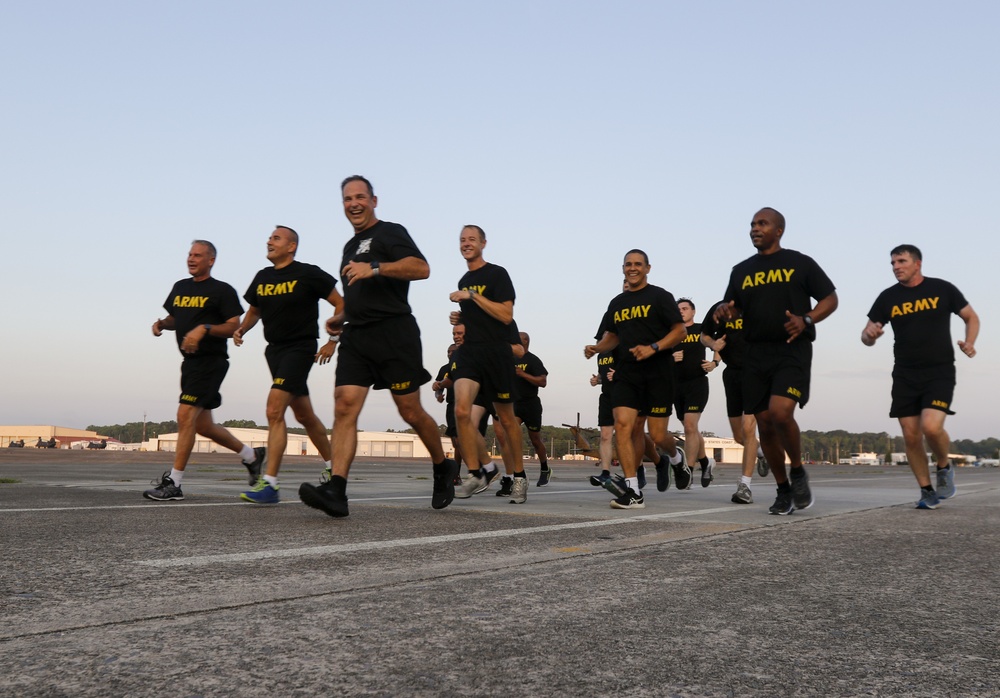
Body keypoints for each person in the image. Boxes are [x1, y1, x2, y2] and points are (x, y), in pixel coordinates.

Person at [298, 176, 458, 518]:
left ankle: (443, 465)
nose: (353, 203)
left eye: (359, 197)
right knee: (344, 406)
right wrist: (340, 317)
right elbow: (358, 296)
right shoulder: (348, 247)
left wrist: (376, 267)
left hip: (394, 333)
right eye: (346, 199)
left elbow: (422, 268)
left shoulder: (390, 232)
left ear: (373, 200)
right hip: (357, 337)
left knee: (410, 411)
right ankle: (336, 490)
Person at [715, 208, 838, 515]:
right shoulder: (740, 271)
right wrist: (725, 311)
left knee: (781, 413)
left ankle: (797, 471)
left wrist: (807, 318)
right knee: (765, 425)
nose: (755, 229)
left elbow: (830, 298)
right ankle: (783, 489)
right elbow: (734, 308)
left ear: (779, 230)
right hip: (754, 353)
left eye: (762, 224)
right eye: (753, 224)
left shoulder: (800, 263)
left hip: (791, 350)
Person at [144, 240, 265, 501]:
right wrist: (162, 324)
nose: (191, 258)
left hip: (211, 362)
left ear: (211, 260)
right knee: (204, 426)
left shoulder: (222, 291)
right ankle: (252, 456)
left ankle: (174, 483)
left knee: (185, 414)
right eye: (189, 254)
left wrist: (205, 329)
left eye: (198, 255)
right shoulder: (180, 287)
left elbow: (233, 325)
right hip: (189, 364)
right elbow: (178, 318)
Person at [861, 244, 979, 509]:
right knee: (911, 435)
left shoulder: (942, 289)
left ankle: (944, 465)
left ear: (918, 263)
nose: (896, 267)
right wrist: (869, 336)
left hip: (939, 371)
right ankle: (927, 491)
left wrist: (970, 342)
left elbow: (971, 317)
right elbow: (866, 335)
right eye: (892, 263)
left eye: (901, 261)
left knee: (931, 427)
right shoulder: (887, 297)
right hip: (904, 374)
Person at [233, 226, 344, 504]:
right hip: (274, 352)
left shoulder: (308, 273)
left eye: (276, 238)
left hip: (300, 348)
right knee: (304, 415)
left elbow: (341, 303)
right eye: (270, 237)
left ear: (291, 246)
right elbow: (254, 310)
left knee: (274, 410)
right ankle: (334, 469)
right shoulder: (263, 277)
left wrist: (333, 339)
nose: (269, 241)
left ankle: (270, 484)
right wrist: (242, 329)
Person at [584, 250, 687, 509]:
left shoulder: (660, 296)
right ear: (623, 268)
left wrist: (653, 347)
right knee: (624, 427)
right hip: (627, 372)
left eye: (638, 264)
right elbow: (613, 336)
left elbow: (680, 331)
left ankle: (675, 457)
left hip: (658, 372)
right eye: (628, 264)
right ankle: (633, 491)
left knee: (658, 434)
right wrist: (598, 348)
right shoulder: (617, 303)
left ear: (647, 268)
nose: (633, 268)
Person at [449, 224, 528, 504]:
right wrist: (461, 319)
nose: (466, 243)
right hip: (471, 353)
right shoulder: (463, 279)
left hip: (497, 353)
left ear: (483, 243)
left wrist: (472, 297)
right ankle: (480, 470)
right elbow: (477, 316)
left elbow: (506, 315)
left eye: (472, 239)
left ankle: (518, 477)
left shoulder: (497, 274)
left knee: (506, 421)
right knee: (461, 411)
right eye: (462, 240)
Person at [701, 299, 766, 504]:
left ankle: (745, 486)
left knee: (749, 428)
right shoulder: (719, 308)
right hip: (732, 374)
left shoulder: (759, 305)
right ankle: (761, 452)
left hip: (756, 372)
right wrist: (713, 344)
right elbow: (704, 335)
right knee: (739, 436)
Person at [671, 298, 719, 488]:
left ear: (693, 312)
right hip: (676, 385)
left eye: (685, 308)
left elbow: (719, 345)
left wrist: (714, 363)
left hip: (697, 383)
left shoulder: (701, 329)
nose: (681, 311)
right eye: (678, 309)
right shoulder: (673, 332)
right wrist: (671, 356)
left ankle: (688, 471)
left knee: (690, 426)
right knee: (690, 427)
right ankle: (706, 462)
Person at [512, 332, 551, 486]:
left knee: (535, 440)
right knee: (512, 434)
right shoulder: (511, 359)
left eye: (518, 338)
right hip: (515, 403)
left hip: (531, 404)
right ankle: (517, 473)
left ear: (526, 341)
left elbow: (543, 381)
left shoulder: (533, 360)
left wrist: (523, 374)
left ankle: (544, 468)